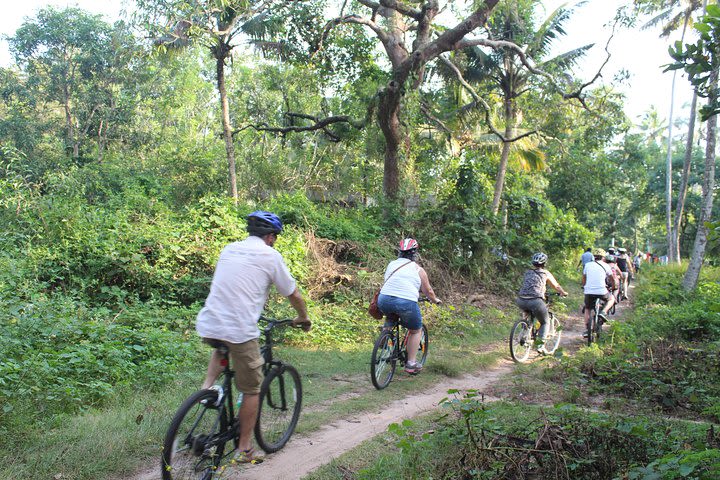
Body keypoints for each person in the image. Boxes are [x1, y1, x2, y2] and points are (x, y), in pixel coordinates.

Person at [195, 210, 312, 463]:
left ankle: (208, 389)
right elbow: (293, 294)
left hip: (209, 321)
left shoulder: (229, 248)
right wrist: (303, 317)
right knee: (252, 389)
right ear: (271, 237)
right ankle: (244, 448)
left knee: (222, 345)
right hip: (239, 329)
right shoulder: (270, 256)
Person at [377, 238, 441, 374]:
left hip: (384, 299)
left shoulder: (391, 264)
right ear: (415, 253)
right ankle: (411, 363)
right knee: (415, 330)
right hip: (406, 302)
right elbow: (428, 291)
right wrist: (435, 300)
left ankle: (385, 334)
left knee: (391, 312)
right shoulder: (418, 269)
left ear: (400, 252)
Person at [516, 252, 568, 354]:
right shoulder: (545, 273)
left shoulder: (528, 272)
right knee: (545, 322)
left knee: (527, 313)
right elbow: (556, 286)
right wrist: (563, 292)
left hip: (521, 300)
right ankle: (540, 346)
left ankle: (524, 330)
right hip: (535, 301)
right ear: (545, 263)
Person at [582, 248, 616, 335]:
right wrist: (613, 287)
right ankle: (603, 312)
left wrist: (584, 286)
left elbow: (584, 278)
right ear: (603, 257)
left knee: (587, 309)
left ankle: (587, 330)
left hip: (589, 292)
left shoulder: (587, 265)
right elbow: (611, 278)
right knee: (611, 298)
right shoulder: (606, 265)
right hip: (602, 291)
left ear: (594, 256)